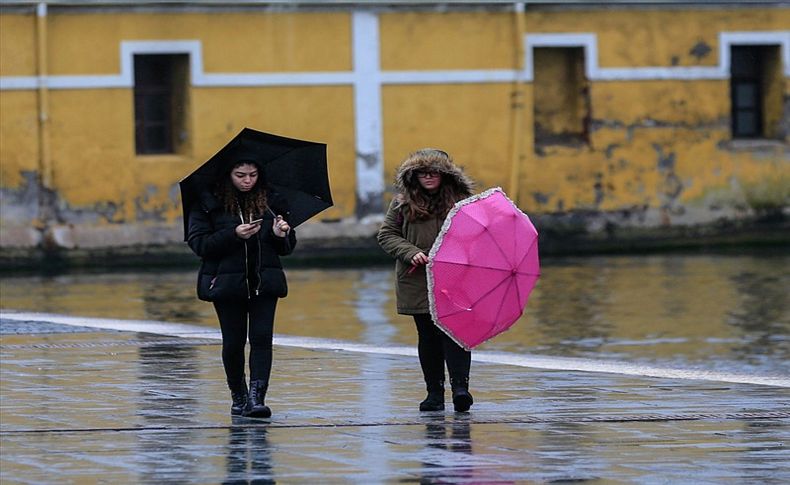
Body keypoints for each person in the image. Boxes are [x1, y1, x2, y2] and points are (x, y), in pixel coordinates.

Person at [187, 160, 296, 418]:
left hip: (264, 281)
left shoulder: (271, 202)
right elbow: (200, 244)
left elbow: (287, 248)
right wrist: (234, 234)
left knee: (261, 339)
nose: (248, 181)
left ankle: (257, 399)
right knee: (234, 341)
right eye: (240, 175)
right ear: (229, 175)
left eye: (253, 175)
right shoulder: (208, 203)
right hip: (226, 283)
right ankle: (239, 395)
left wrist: (282, 235)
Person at [377, 148, 476, 412]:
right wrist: (411, 253)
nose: (429, 177)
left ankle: (460, 389)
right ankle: (434, 393)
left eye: (434, 172)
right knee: (428, 336)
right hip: (417, 279)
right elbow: (387, 235)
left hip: (455, 277)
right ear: (414, 176)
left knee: (456, 333)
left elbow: (477, 236)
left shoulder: (463, 202)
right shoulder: (401, 203)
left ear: (445, 175)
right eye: (423, 172)